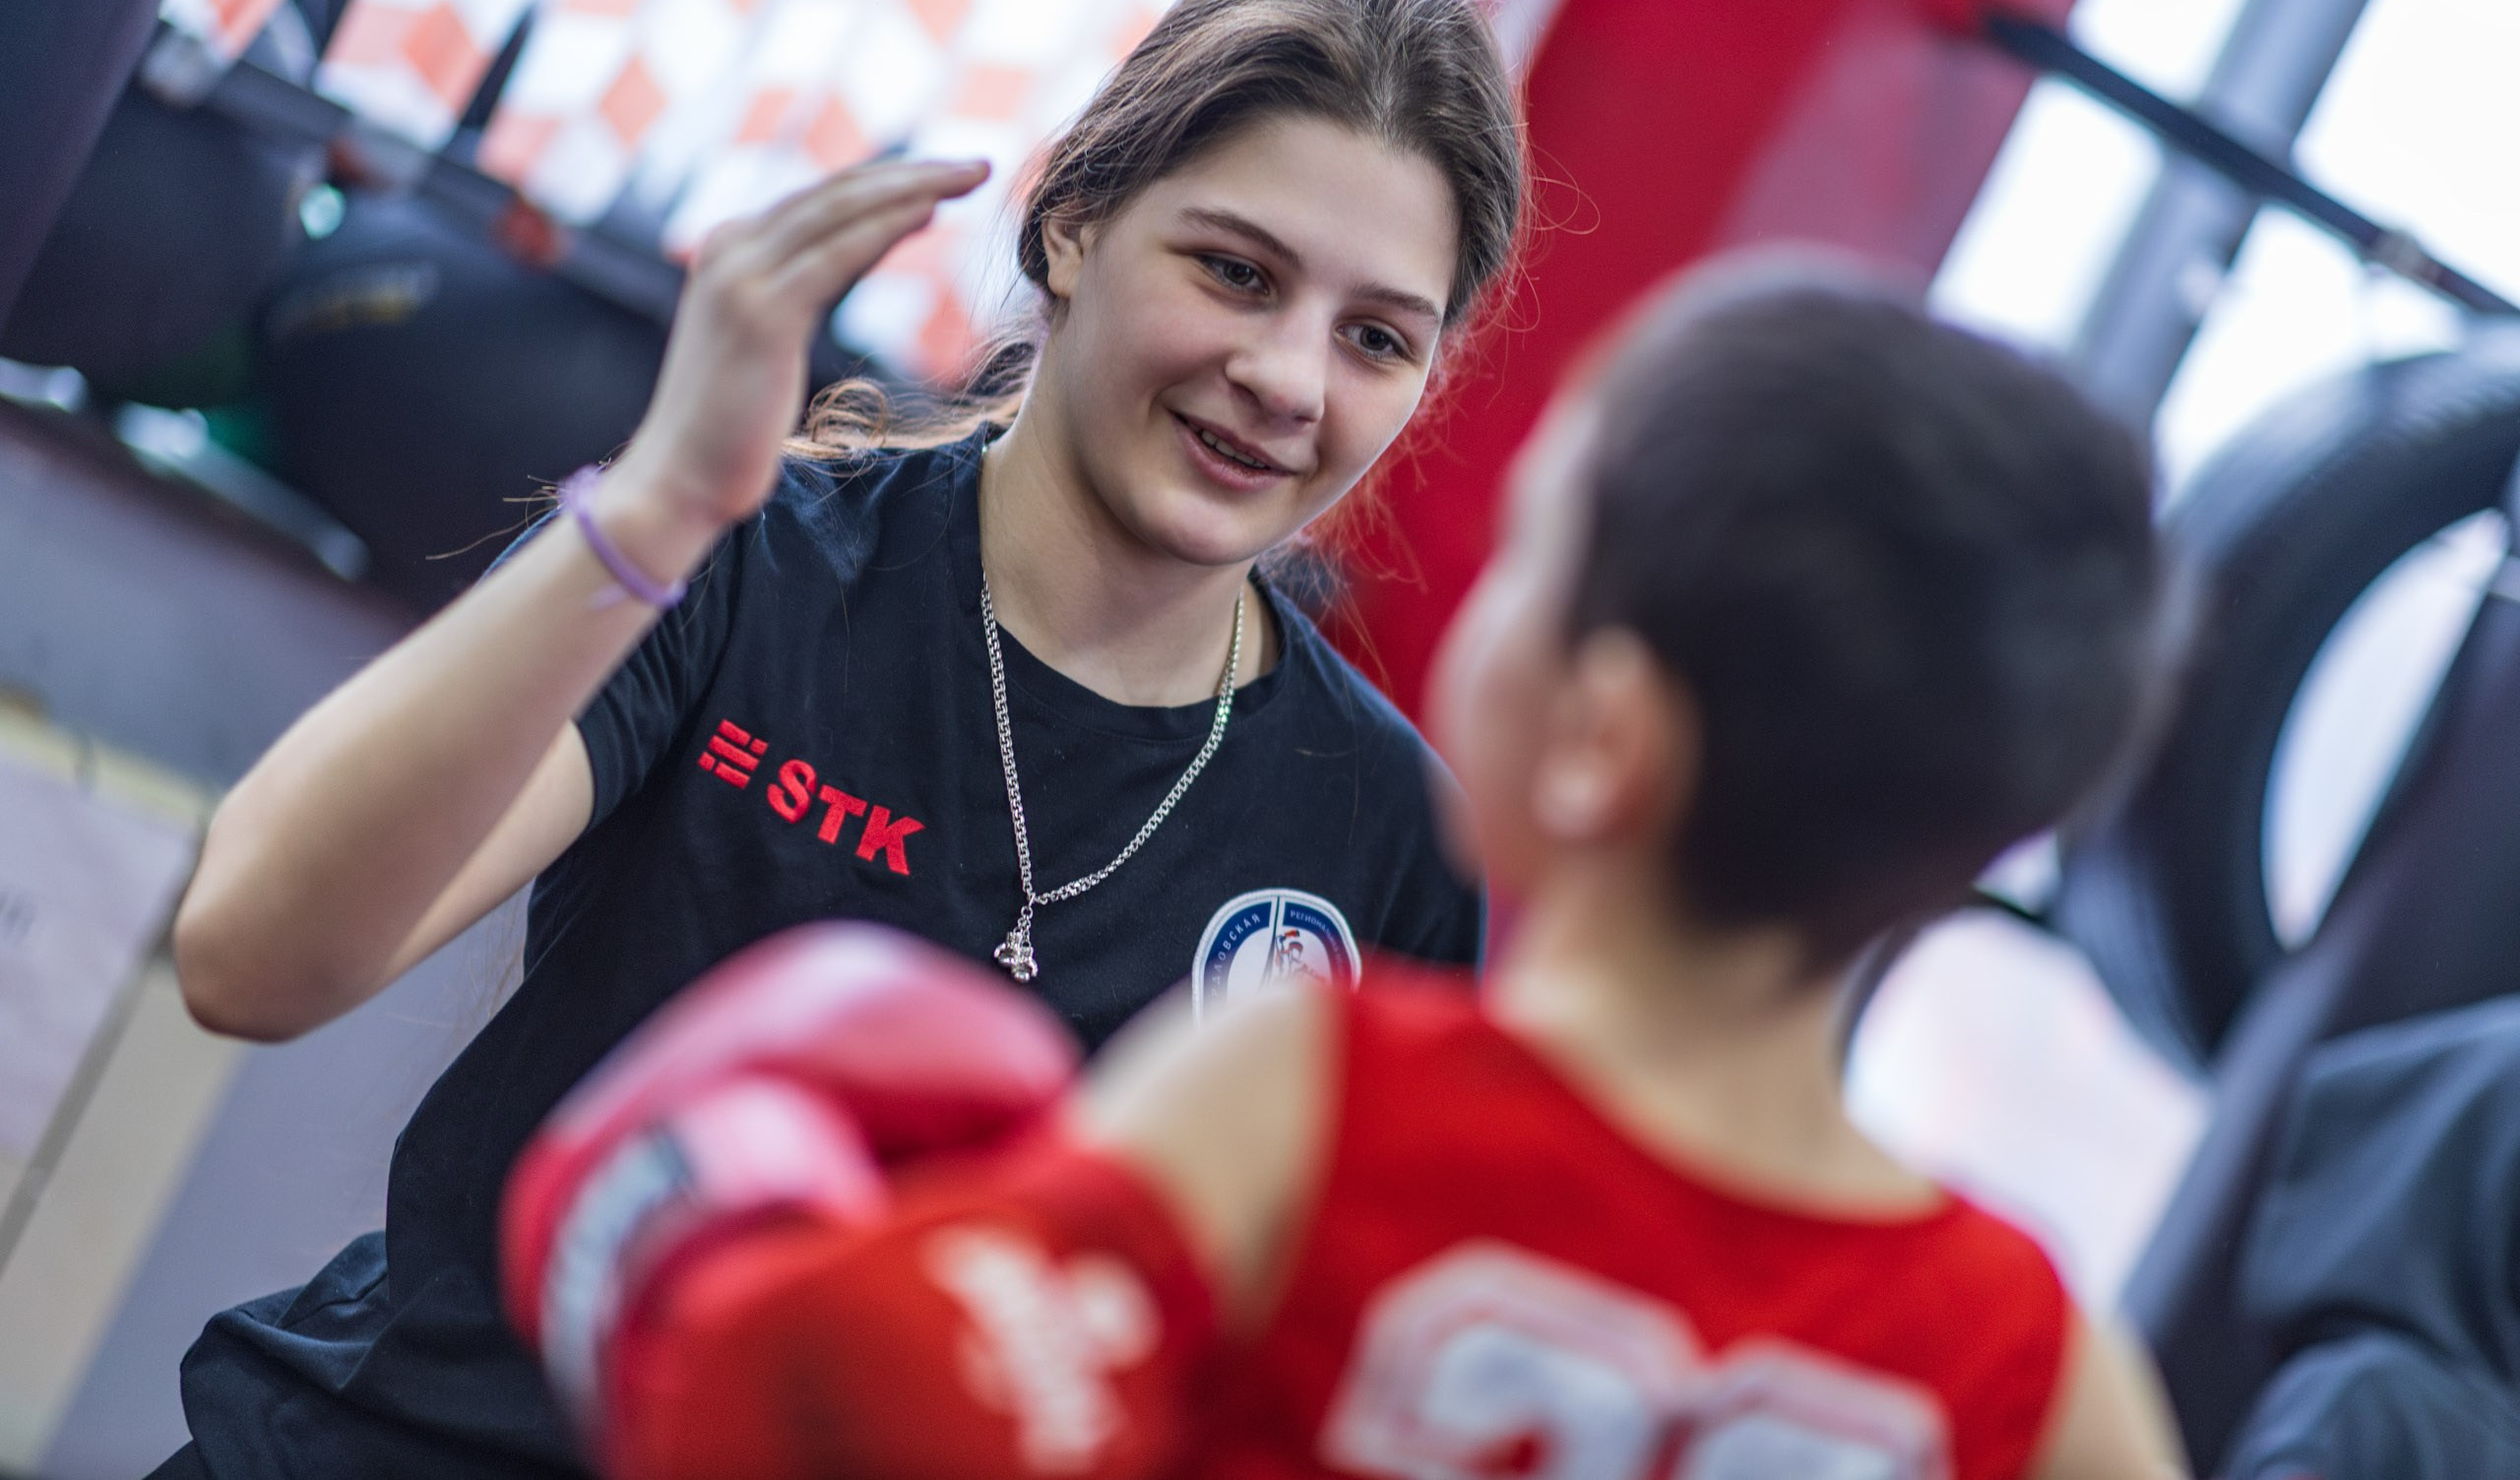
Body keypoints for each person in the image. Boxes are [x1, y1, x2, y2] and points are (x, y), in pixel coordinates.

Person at [151, 0, 1523, 1480]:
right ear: (1072, 223)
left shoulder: (1385, 840)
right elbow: (248, 952)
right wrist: (660, 505)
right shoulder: (744, 560)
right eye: (1235, 271)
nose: (1287, 375)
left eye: (1374, 339)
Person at [501, 259, 2192, 1480]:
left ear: (1602, 735)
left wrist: (698, 1231)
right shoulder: (2036, 1369)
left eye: (1538, 549)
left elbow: (824, 1413)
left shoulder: (1329, 1085)